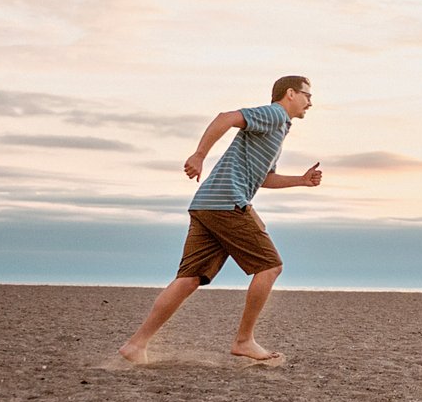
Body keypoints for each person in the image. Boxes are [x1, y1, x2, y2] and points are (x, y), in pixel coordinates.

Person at [117, 76, 322, 367]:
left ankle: (136, 344)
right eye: (307, 95)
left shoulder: (278, 130)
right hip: (228, 202)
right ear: (290, 94)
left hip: (207, 204)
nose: (310, 102)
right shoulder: (274, 114)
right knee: (270, 266)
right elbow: (225, 118)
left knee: (188, 279)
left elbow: (264, 178)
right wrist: (199, 155)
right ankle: (243, 341)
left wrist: (301, 181)